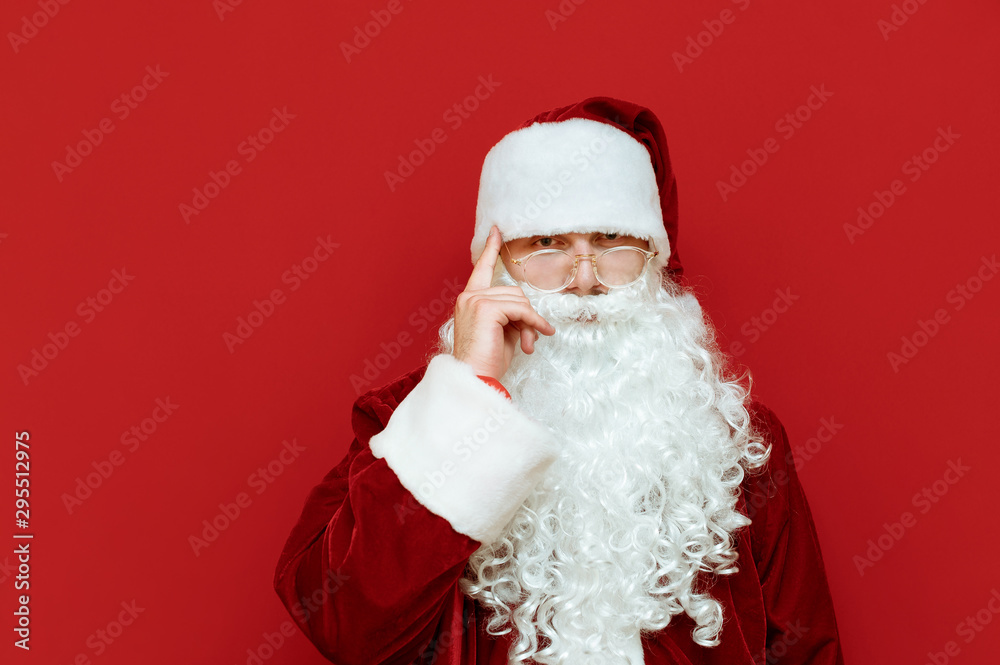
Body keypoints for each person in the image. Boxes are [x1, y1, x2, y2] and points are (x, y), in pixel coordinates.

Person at [273, 96, 846, 665]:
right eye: (547, 245)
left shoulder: (737, 442)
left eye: (611, 242)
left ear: (653, 257)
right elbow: (342, 621)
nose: (585, 279)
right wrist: (470, 393)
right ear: (495, 265)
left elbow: (808, 648)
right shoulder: (404, 418)